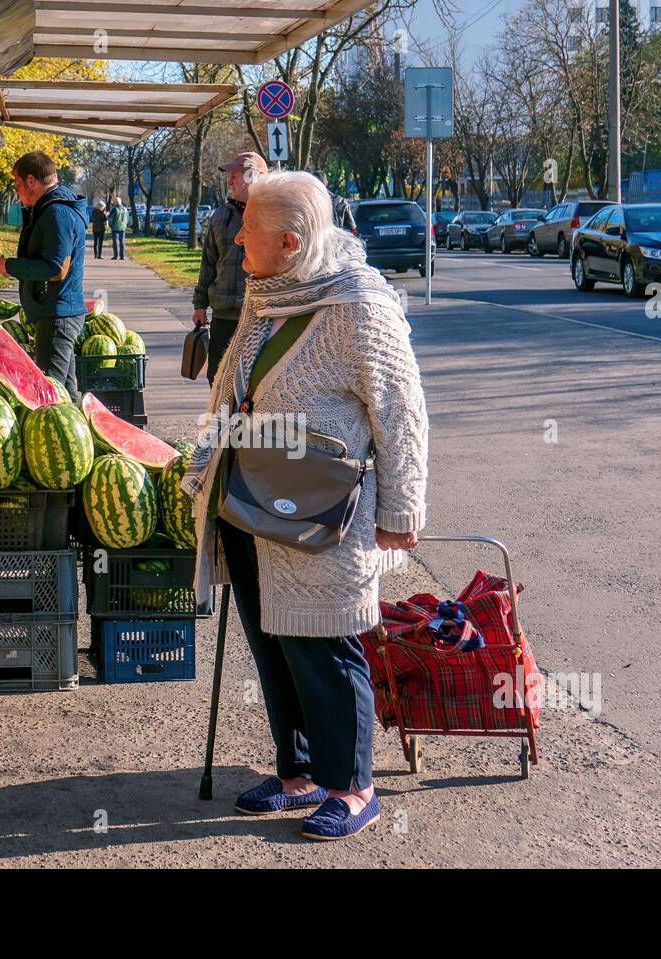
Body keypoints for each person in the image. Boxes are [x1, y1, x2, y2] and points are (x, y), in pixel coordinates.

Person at [182, 171, 429, 841]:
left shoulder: (358, 307)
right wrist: (202, 463)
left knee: (325, 644)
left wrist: (402, 510)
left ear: (291, 242)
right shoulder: (272, 293)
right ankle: (298, 773)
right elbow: (230, 390)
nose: (236, 237)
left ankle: (353, 786)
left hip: (322, 513)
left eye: (250, 231)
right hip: (250, 503)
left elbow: (401, 415)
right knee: (275, 643)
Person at [0, 151, 88, 401]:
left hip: (57, 316)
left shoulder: (56, 213)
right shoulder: (51, 210)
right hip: (57, 313)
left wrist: (10, 266)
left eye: (18, 184)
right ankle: (77, 438)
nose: (17, 191)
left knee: (49, 399)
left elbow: (53, 267)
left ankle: (60, 440)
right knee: (66, 394)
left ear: (31, 181)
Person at [192, 151, 268, 384]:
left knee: (256, 380)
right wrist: (200, 305)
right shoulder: (219, 216)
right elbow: (208, 264)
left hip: (260, 316)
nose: (229, 181)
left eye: (235, 175)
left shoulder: (271, 215)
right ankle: (224, 420)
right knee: (218, 377)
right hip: (224, 316)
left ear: (253, 177)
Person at [314, 170, 357, 235]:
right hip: (337, 241)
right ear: (326, 183)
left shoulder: (308, 203)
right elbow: (353, 228)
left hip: (317, 242)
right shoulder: (341, 202)